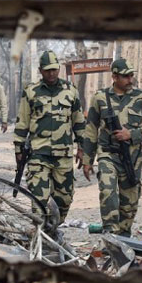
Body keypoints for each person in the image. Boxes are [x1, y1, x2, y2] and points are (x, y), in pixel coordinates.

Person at [82, 58, 142, 236]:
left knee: (130, 201)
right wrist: (87, 160)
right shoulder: (100, 98)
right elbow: (91, 129)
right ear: (114, 77)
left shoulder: (141, 97)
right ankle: (110, 233)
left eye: (131, 75)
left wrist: (131, 135)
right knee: (107, 191)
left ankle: (124, 235)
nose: (130, 79)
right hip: (107, 154)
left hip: (132, 157)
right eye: (125, 76)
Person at [14, 50, 85, 229]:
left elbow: (78, 122)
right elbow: (22, 121)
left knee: (65, 198)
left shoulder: (70, 91)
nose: (51, 73)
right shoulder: (31, 92)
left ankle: (53, 230)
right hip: (39, 154)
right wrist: (18, 148)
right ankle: (40, 238)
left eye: (54, 69)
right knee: (39, 200)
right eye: (47, 70)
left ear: (59, 68)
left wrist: (83, 148)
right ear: (40, 70)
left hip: (64, 155)